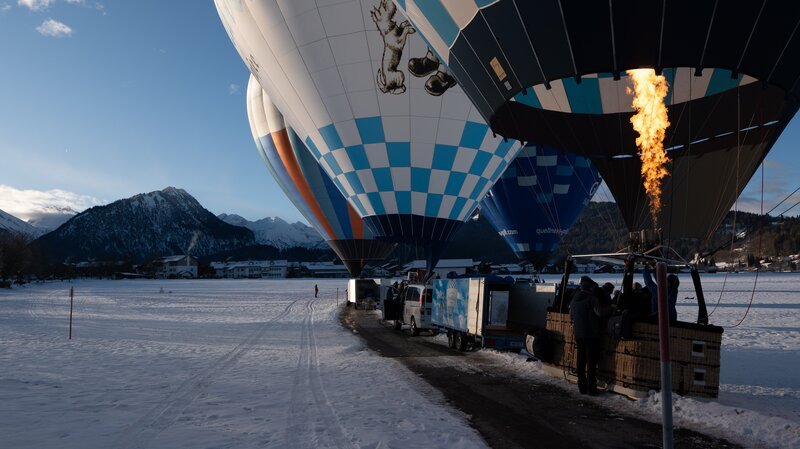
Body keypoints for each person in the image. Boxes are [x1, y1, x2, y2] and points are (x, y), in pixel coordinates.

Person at [569, 276, 614, 395]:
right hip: (591, 334)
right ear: (590, 289)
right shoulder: (592, 299)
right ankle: (591, 389)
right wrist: (611, 308)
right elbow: (600, 313)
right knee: (591, 362)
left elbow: (571, 316)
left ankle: (581, 387)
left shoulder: (574, 300)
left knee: (581, 360)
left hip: (578, 334)